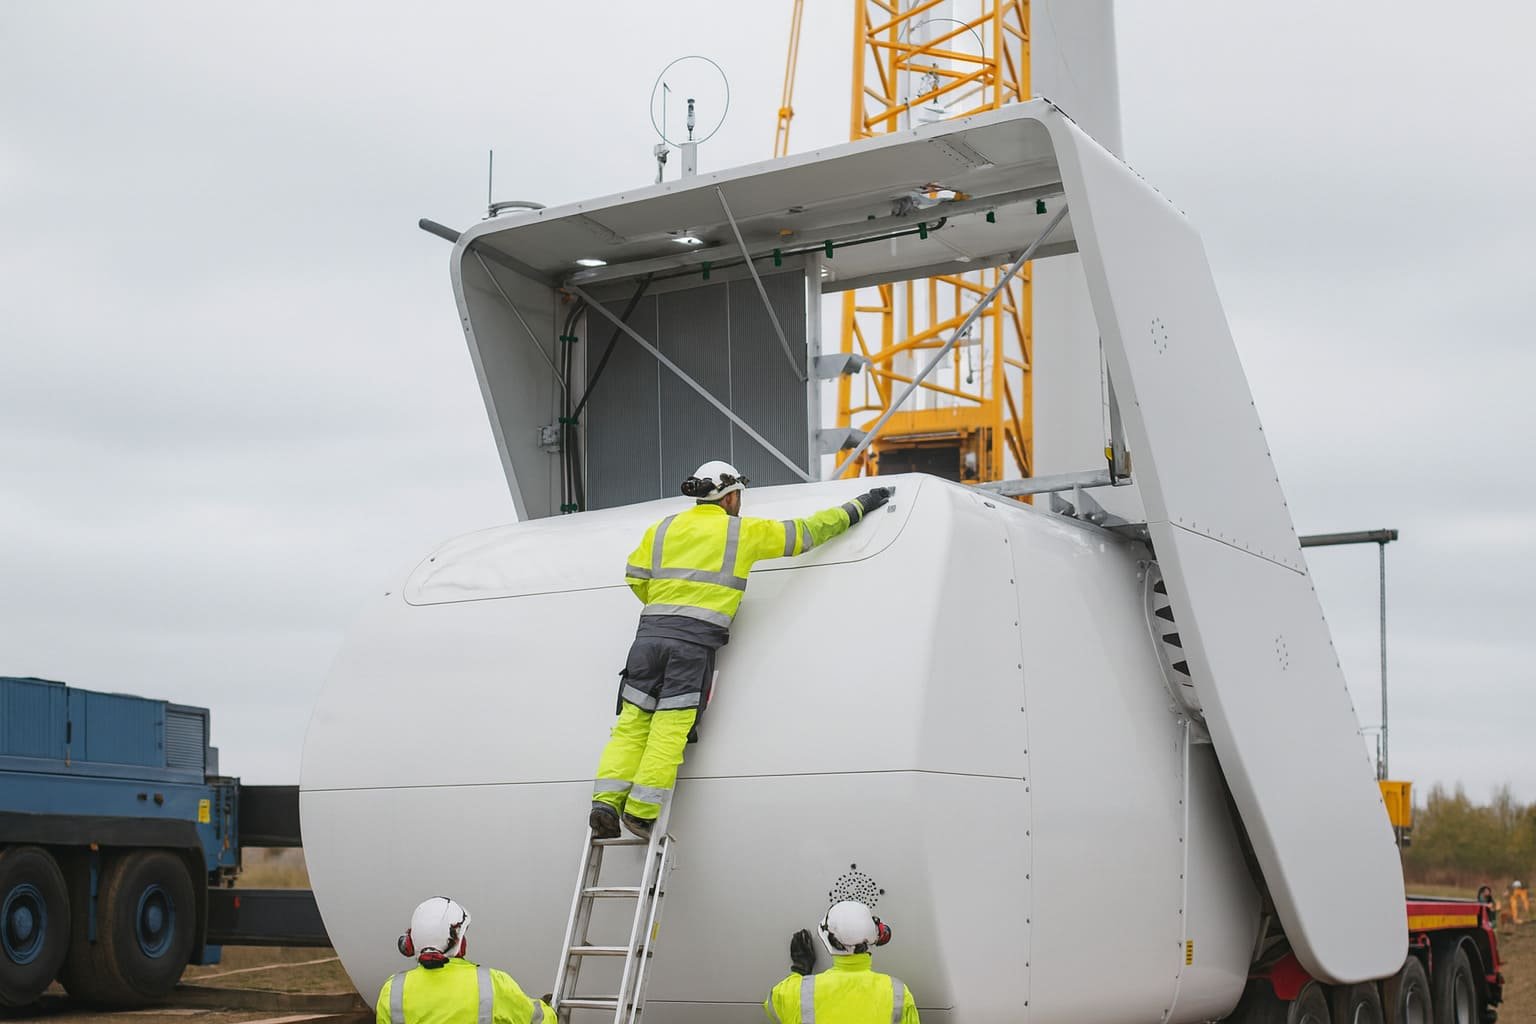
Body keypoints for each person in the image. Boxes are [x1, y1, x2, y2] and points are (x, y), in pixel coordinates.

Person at [590, 461, 891, 839]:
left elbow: (635, 575)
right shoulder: (742, 533)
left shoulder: (663, 528)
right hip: (692, 645)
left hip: (647, 639)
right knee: (669, 728)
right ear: (731, 496)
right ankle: (640, 813)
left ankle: (605, 802)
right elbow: (808, 532)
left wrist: (666, 605)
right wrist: (860, 505)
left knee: (631, 724)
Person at [376, 896, 553, 1024]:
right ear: (460, 944)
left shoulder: (392, 991)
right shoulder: (492, 983)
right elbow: (540, 1021)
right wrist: (547, 1008)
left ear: (410, 942)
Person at [763, 900, 920, 1023]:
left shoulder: (797, 992)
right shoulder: (898, 992)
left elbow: (773, 1006)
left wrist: (800, 968)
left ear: (828, 941)